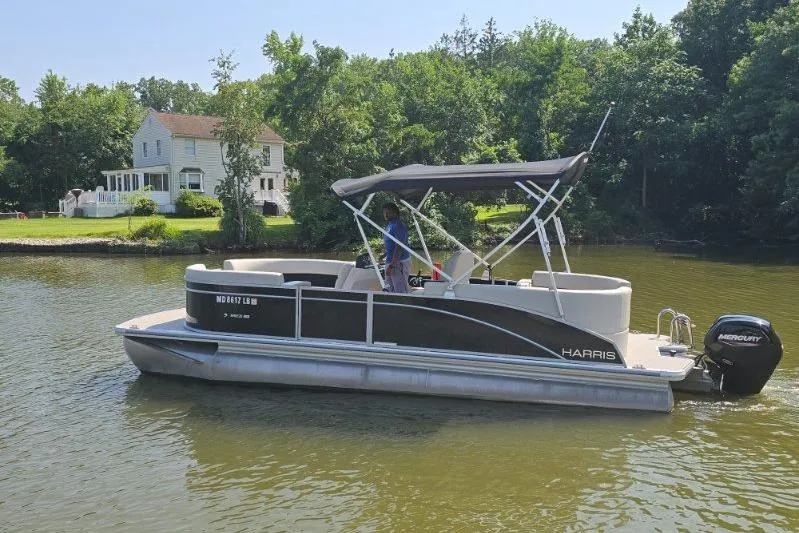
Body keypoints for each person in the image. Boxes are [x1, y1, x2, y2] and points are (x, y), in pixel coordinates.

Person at [382, 202, 411, 293]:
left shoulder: (398, 225)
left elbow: (399, 246)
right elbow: (391, 244)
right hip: (390, 261)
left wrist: (392, 265)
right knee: (389, 287)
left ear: (395, 213)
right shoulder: (390, 225)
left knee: (399, 289)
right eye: (384, 212)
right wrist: (384, 255)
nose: (386, 214)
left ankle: (404, 306)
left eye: (388, 212)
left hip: (398, 262)